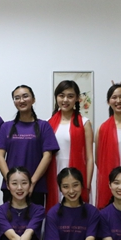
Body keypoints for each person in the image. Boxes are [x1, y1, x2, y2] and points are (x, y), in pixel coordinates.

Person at [0, 85, 59, 206]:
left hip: (36, 186)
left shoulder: (44, 126)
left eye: (25, 96)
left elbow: (47, 156)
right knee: (9, 218)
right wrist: (11, 182)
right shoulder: (6, 127)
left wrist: (32, 182)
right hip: (10, 188)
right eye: (17, 98)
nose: (21, 100)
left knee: (34, 218)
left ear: (33, 99)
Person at [46, 80, 94, 213]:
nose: (65, 100)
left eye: (70, 96)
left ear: (77, 98)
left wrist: (86, 184)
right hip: (54, 172)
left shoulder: (84, 123)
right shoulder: (48, 123)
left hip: (77, 174)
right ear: (56, 97)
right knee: (56, 211)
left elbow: (90, 157)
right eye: (61, 96)